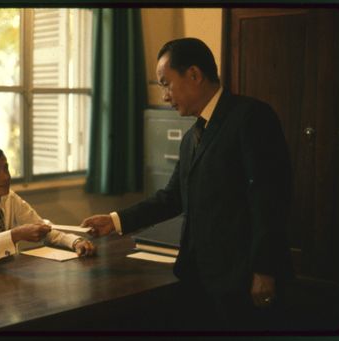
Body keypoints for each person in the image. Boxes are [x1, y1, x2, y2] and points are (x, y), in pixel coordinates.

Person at [81, 38, 293, 331]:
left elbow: (269, 200)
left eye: (166, 83)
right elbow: (172, 197)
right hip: (198, 277)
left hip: (241, 278)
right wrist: (115, 221)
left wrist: (265, 270)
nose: (165, 96)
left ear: (194, 74)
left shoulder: (251, 117)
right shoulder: (192, 136)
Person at [0, 144, 95, 265]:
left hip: (2, 276)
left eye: (6, 168)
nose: (5, 177)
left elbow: (44, 229)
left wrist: (76, 242)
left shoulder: (10, 198)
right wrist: (14, 235)